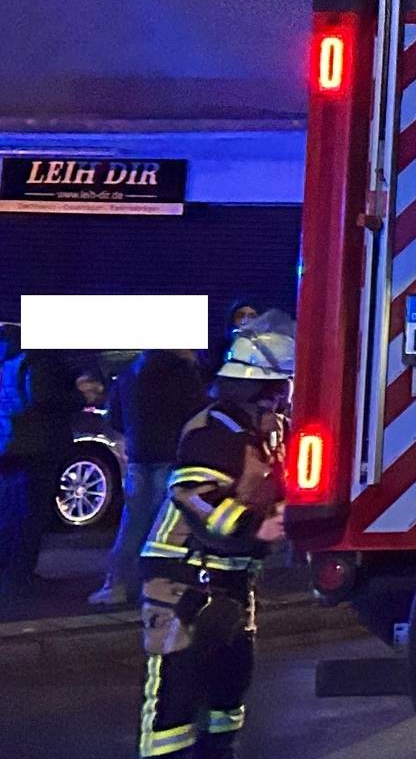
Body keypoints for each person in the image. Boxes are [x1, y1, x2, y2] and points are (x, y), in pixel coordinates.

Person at [138, 317, 292, 759]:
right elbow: (193, 493)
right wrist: (251, 526)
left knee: (230, 683)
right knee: (176, 688)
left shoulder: (262, 430)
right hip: (182, 573)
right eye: (279, 387)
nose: (284, 397)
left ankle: (219, 752)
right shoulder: (214, 429)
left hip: (231, 575)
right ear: (256, 388)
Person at [96, 343, 210, 605]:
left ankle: (116, 584)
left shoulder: (130, 372)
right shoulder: (184, 374)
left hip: (139, 458)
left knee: (132, 524)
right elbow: (198, 415)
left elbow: (115, 419)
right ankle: (155, 587)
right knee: (165, 529)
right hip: (172, 457)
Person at [0, 321, 84, 599]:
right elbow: (45, 397)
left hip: (9, 441)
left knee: (10, 512)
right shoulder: (40, 357)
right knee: (33, 514)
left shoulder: (7, 357)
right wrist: (78, 396)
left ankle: (9, 571)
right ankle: (20, 576)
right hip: (39, 444)